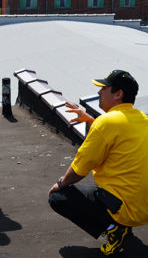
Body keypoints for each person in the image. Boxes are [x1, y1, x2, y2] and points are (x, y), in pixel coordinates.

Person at [48, 70, 148, 256]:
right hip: (144, 207)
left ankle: (114, 228)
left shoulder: (106, 123)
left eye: (104, 88)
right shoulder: (142, 119)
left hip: (126, 209)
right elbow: (118, 137)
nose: (99, 93)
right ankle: (120, 225)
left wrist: (60, 183)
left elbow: (80, 169)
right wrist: (91, 121)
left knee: (58, 198)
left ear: (118, 94)